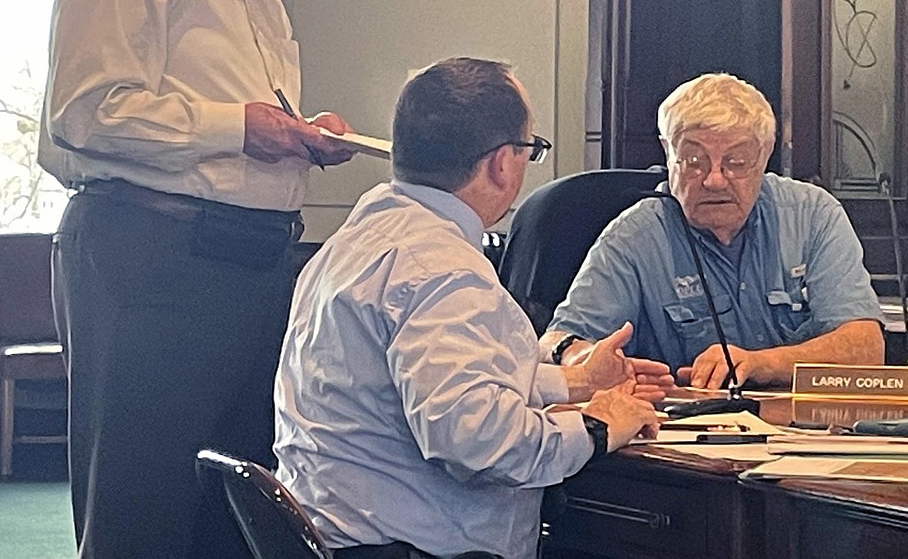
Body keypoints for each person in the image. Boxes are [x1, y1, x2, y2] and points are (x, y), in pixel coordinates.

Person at [40, 0, 354, 559]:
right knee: (142, 509)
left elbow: (249, 126)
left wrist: (300, 134)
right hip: (153, 256)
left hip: (251, 264)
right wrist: (238, 128)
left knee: (234, 509)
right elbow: (84, 110)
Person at [274, 57, 671, 559]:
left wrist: (574, 383)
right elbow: (476, 442)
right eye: (531, 150)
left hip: (338, 538)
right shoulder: (442, 268)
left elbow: (412, 385)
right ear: (503, 162)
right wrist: (597, 425)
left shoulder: (355, 240)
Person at [541, 72, 884, 390]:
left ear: (764, 157)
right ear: (667, 152)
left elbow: (866, 347)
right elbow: (555, 341)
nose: (714, 179)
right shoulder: (636, 236)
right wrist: (582, 359)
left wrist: (760, 363)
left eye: (735, 162)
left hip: (807, 434)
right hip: (683, 436)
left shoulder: (812, 215)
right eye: (694, 161)